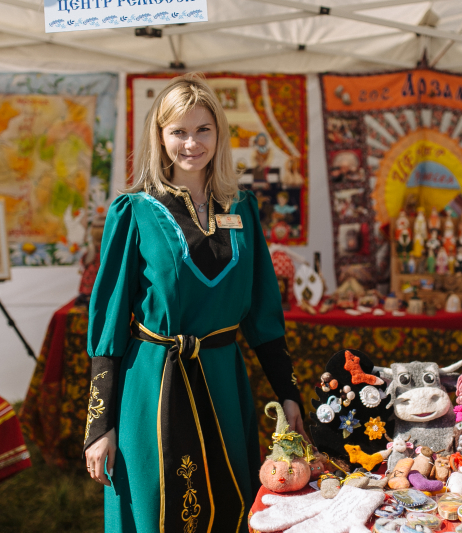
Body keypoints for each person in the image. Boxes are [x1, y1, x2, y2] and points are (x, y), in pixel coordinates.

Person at [83, 73, 307, 533]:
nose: (191, 143)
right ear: (160, 136)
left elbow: (264, 314)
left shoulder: (241, 208)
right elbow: (109, 322)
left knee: (229, 505)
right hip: (152, 385)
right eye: (178, 131)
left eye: (203, 129)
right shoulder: (135, 211)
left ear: (219, 133)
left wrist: (288, 395)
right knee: (154, 509)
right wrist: (99, 424)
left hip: (223, 381)